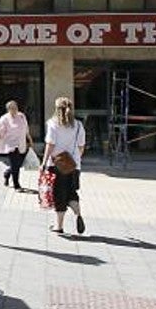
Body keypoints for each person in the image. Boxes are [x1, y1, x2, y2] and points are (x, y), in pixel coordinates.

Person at [42, 96, 86, 235]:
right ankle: (78, 214)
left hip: (56, 165)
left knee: (59, 195)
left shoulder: (53, 124)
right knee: (71, 192)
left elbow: (50, 145)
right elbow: (81, 146)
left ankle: (59, 226)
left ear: (56, 109)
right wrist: (74, 160)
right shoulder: (78, 125)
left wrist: (43, 162)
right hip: (74, 165)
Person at [0, 100, 33, 190]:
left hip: (21, 144)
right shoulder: (4, 119)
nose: (14, 110)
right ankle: (17, 185)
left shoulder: (21, 116)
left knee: (18, 164)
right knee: (15, 164)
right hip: (10, 145)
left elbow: (26, 130)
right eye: (12, 108)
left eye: (15, 108)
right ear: (8, 109)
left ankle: (7, 173)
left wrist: (30, 140)